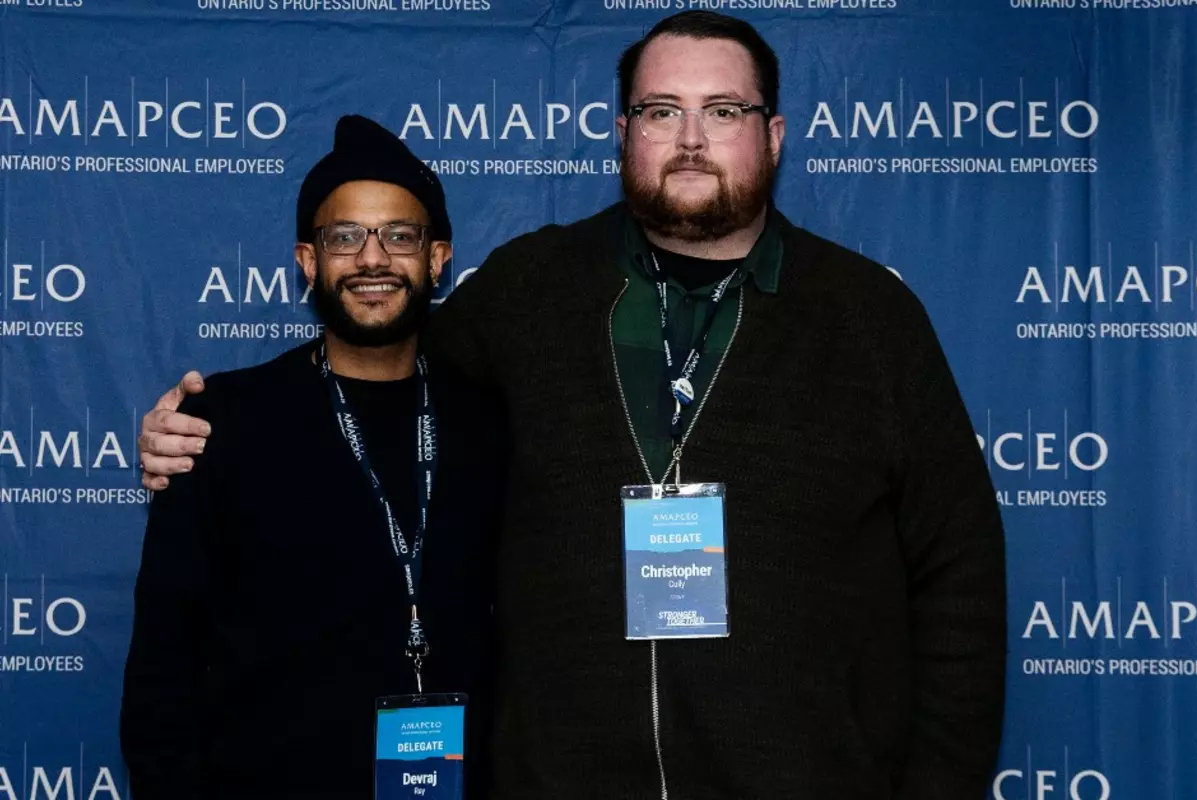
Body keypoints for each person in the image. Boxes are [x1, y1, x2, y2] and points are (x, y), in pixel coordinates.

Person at [136, 11, 1007, 799]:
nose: (692, 137)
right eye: (662, 110)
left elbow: (959, 576)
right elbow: (377, 373)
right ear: (623, 132)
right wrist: (203, 429)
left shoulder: (869, 317)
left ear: (773, 135)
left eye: (724, 111)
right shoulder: (530, 288)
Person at [121, 115, 504, 800]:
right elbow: (162, 664)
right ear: (308, 261)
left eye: (400, 235)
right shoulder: (220, 423)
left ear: (438, 259)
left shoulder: (490, 421)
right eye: (345, 237)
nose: (373, 259)